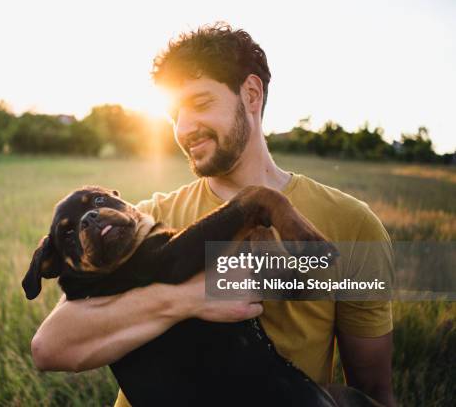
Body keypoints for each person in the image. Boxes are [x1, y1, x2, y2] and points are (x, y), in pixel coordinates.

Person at [30, 23, 396, 407]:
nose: (185, 127)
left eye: (201, 104)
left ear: (251, 94)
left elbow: (373, 389)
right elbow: (51, 347)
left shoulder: (353, 225)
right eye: (175, 114)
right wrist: (190, 298)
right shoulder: (148, 219)